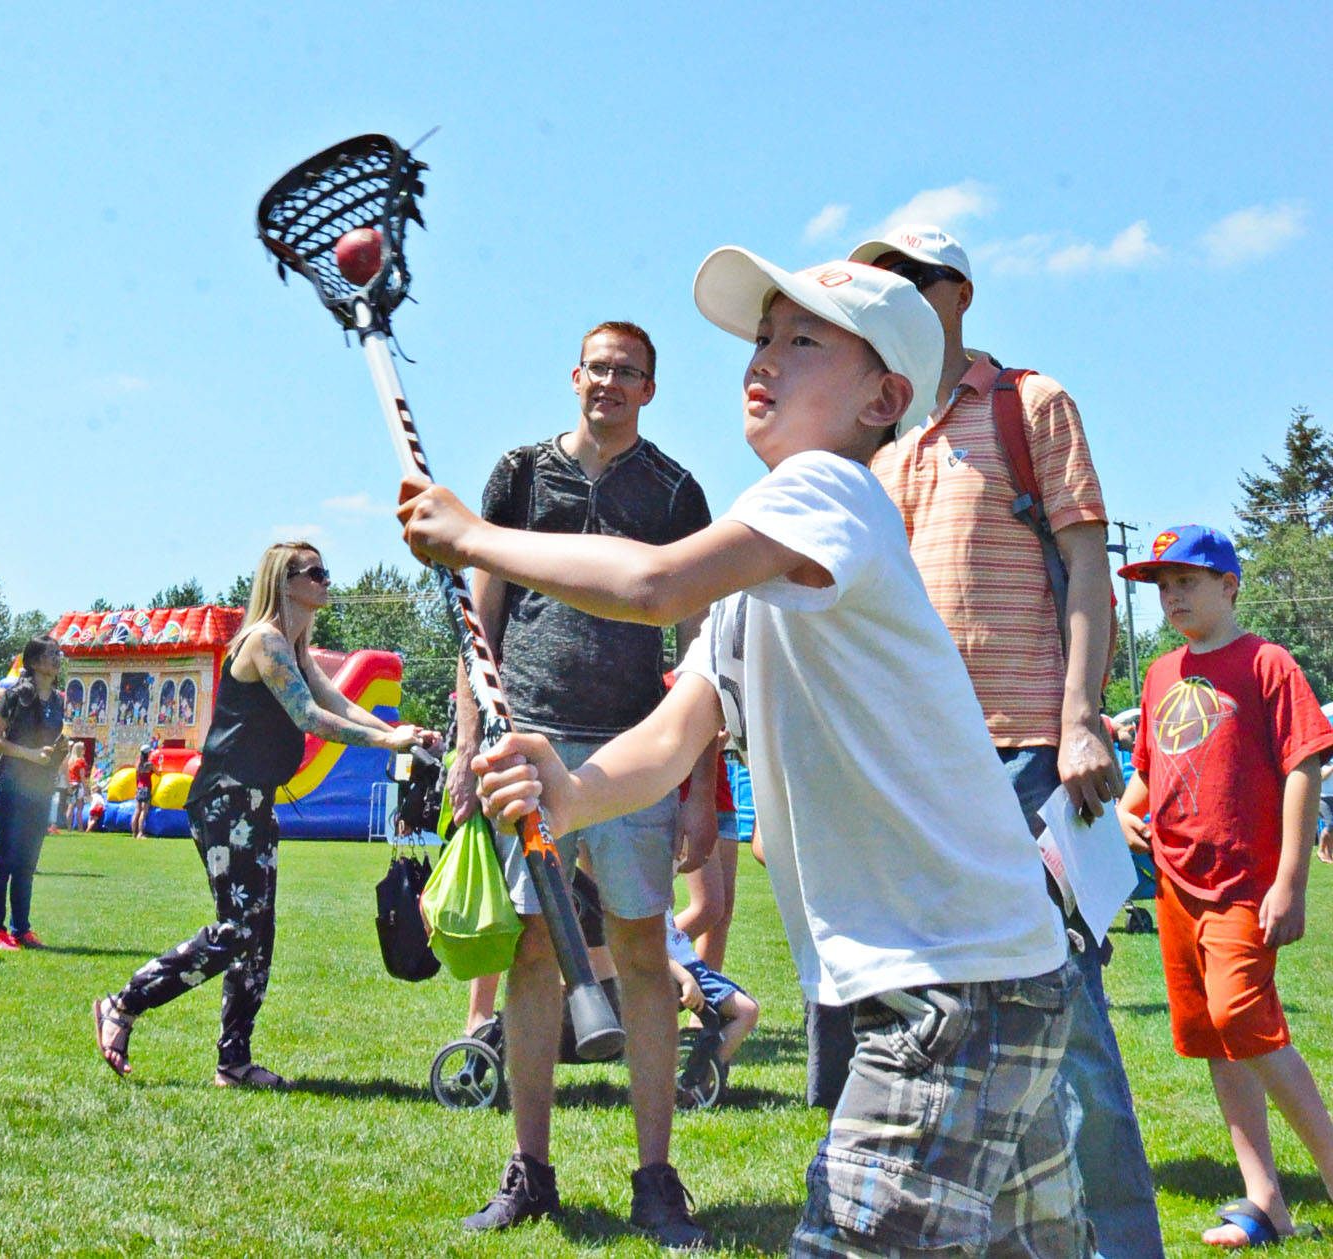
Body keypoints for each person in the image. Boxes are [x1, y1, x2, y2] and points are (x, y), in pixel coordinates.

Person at [401, 249, 1092, 1256]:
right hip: (995, 969)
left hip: (955, 986)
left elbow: (649, 585)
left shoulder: (831, 490)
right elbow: (682, 726)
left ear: (882, 396)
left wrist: (478, 537)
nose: (763, 357)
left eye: (802, 340)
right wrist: (575, 790)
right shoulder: (764, 567)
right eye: (762, 337)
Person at [850, 223, 1160, 1256]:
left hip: (1030, 754)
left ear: (956, 293)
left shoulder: (1030, 404)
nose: (879, 296)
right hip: (918, 769)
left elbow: (1086, 574)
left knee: (1068, 1027)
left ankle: (1120, 1244)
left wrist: (1080, 718)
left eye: (899, 278)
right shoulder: (879, 434)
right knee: (938, 1033)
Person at [438, 321, 715, 1247]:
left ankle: (654, 1177)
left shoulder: (675, 491)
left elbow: (698, 647)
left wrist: (700, 780)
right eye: (597, 368)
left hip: (634, 750)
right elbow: (484, 610)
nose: (609, 383)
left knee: (642, 957)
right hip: (528, 741)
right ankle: (530, 1170)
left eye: (628, 372)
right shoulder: (519, 474)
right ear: (575, 377)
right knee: (531, 956)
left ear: (650, 386)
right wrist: (468, 738)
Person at [92, 543, 438, 1088]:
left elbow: (340, 704)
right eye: (315, 572)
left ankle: (234, 1061)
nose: (326, 580)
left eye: (326, 570)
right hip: (225, 800)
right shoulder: (265, 642)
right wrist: (387, 741)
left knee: (259, 935)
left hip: (254, 802)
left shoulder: (296, 648)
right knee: (236, 930)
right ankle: (124, 1002)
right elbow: (310, 718)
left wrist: (402, 733)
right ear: (284, 581)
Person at [1114, 525, 1333, 1247]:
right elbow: (1149, 765)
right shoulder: (1158, 672)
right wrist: (1125, 808)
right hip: (1177, 885)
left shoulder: (1267, 662)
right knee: (1216, 1036)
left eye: (1187, 581)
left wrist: (1290, 880)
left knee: (1245, 1018)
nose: (1172, 596)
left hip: (1245, 883)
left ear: (1229, 584)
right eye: (1162, 585)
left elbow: (1305, 765)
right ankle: (1264, 1198)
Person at [0, 637, 70, 950]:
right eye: (49, 654)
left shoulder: (58, 700)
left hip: (41, 788)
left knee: (27, 863)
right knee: (3, 861)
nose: (56, 659)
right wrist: (30, 754)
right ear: (32, 662)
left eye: (57, 654)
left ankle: (21, 930)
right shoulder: (15, 696)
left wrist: (60, 753)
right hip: (11, 785)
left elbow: (51, 740)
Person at [664, 907, 757, 1106]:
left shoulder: (655, 889)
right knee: (747, 1011)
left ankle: (704, 1072)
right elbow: (652, 946)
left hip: (691, 965)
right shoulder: (645, 896)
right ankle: (699, 1081)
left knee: (744, 1010)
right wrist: (686, 978)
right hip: (685, 970)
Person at [131, 744, 153, 839]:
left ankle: (133, 833)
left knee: (137, 811)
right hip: (146, 788)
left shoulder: (138, 765)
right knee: (144, 811)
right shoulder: (149, 765)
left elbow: (136, 778)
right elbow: (158, 773)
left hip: (139, 788)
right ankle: (140, 833)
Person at [66, 741, 89, 831]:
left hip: (71, 783)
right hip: (78, 784)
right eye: (83, 748)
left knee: (70, 807)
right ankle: (80, 828)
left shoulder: (71, 761)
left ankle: (69, 827)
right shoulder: (80, 761)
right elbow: (82, 776)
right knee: (79, 808)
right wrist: (86, 788)